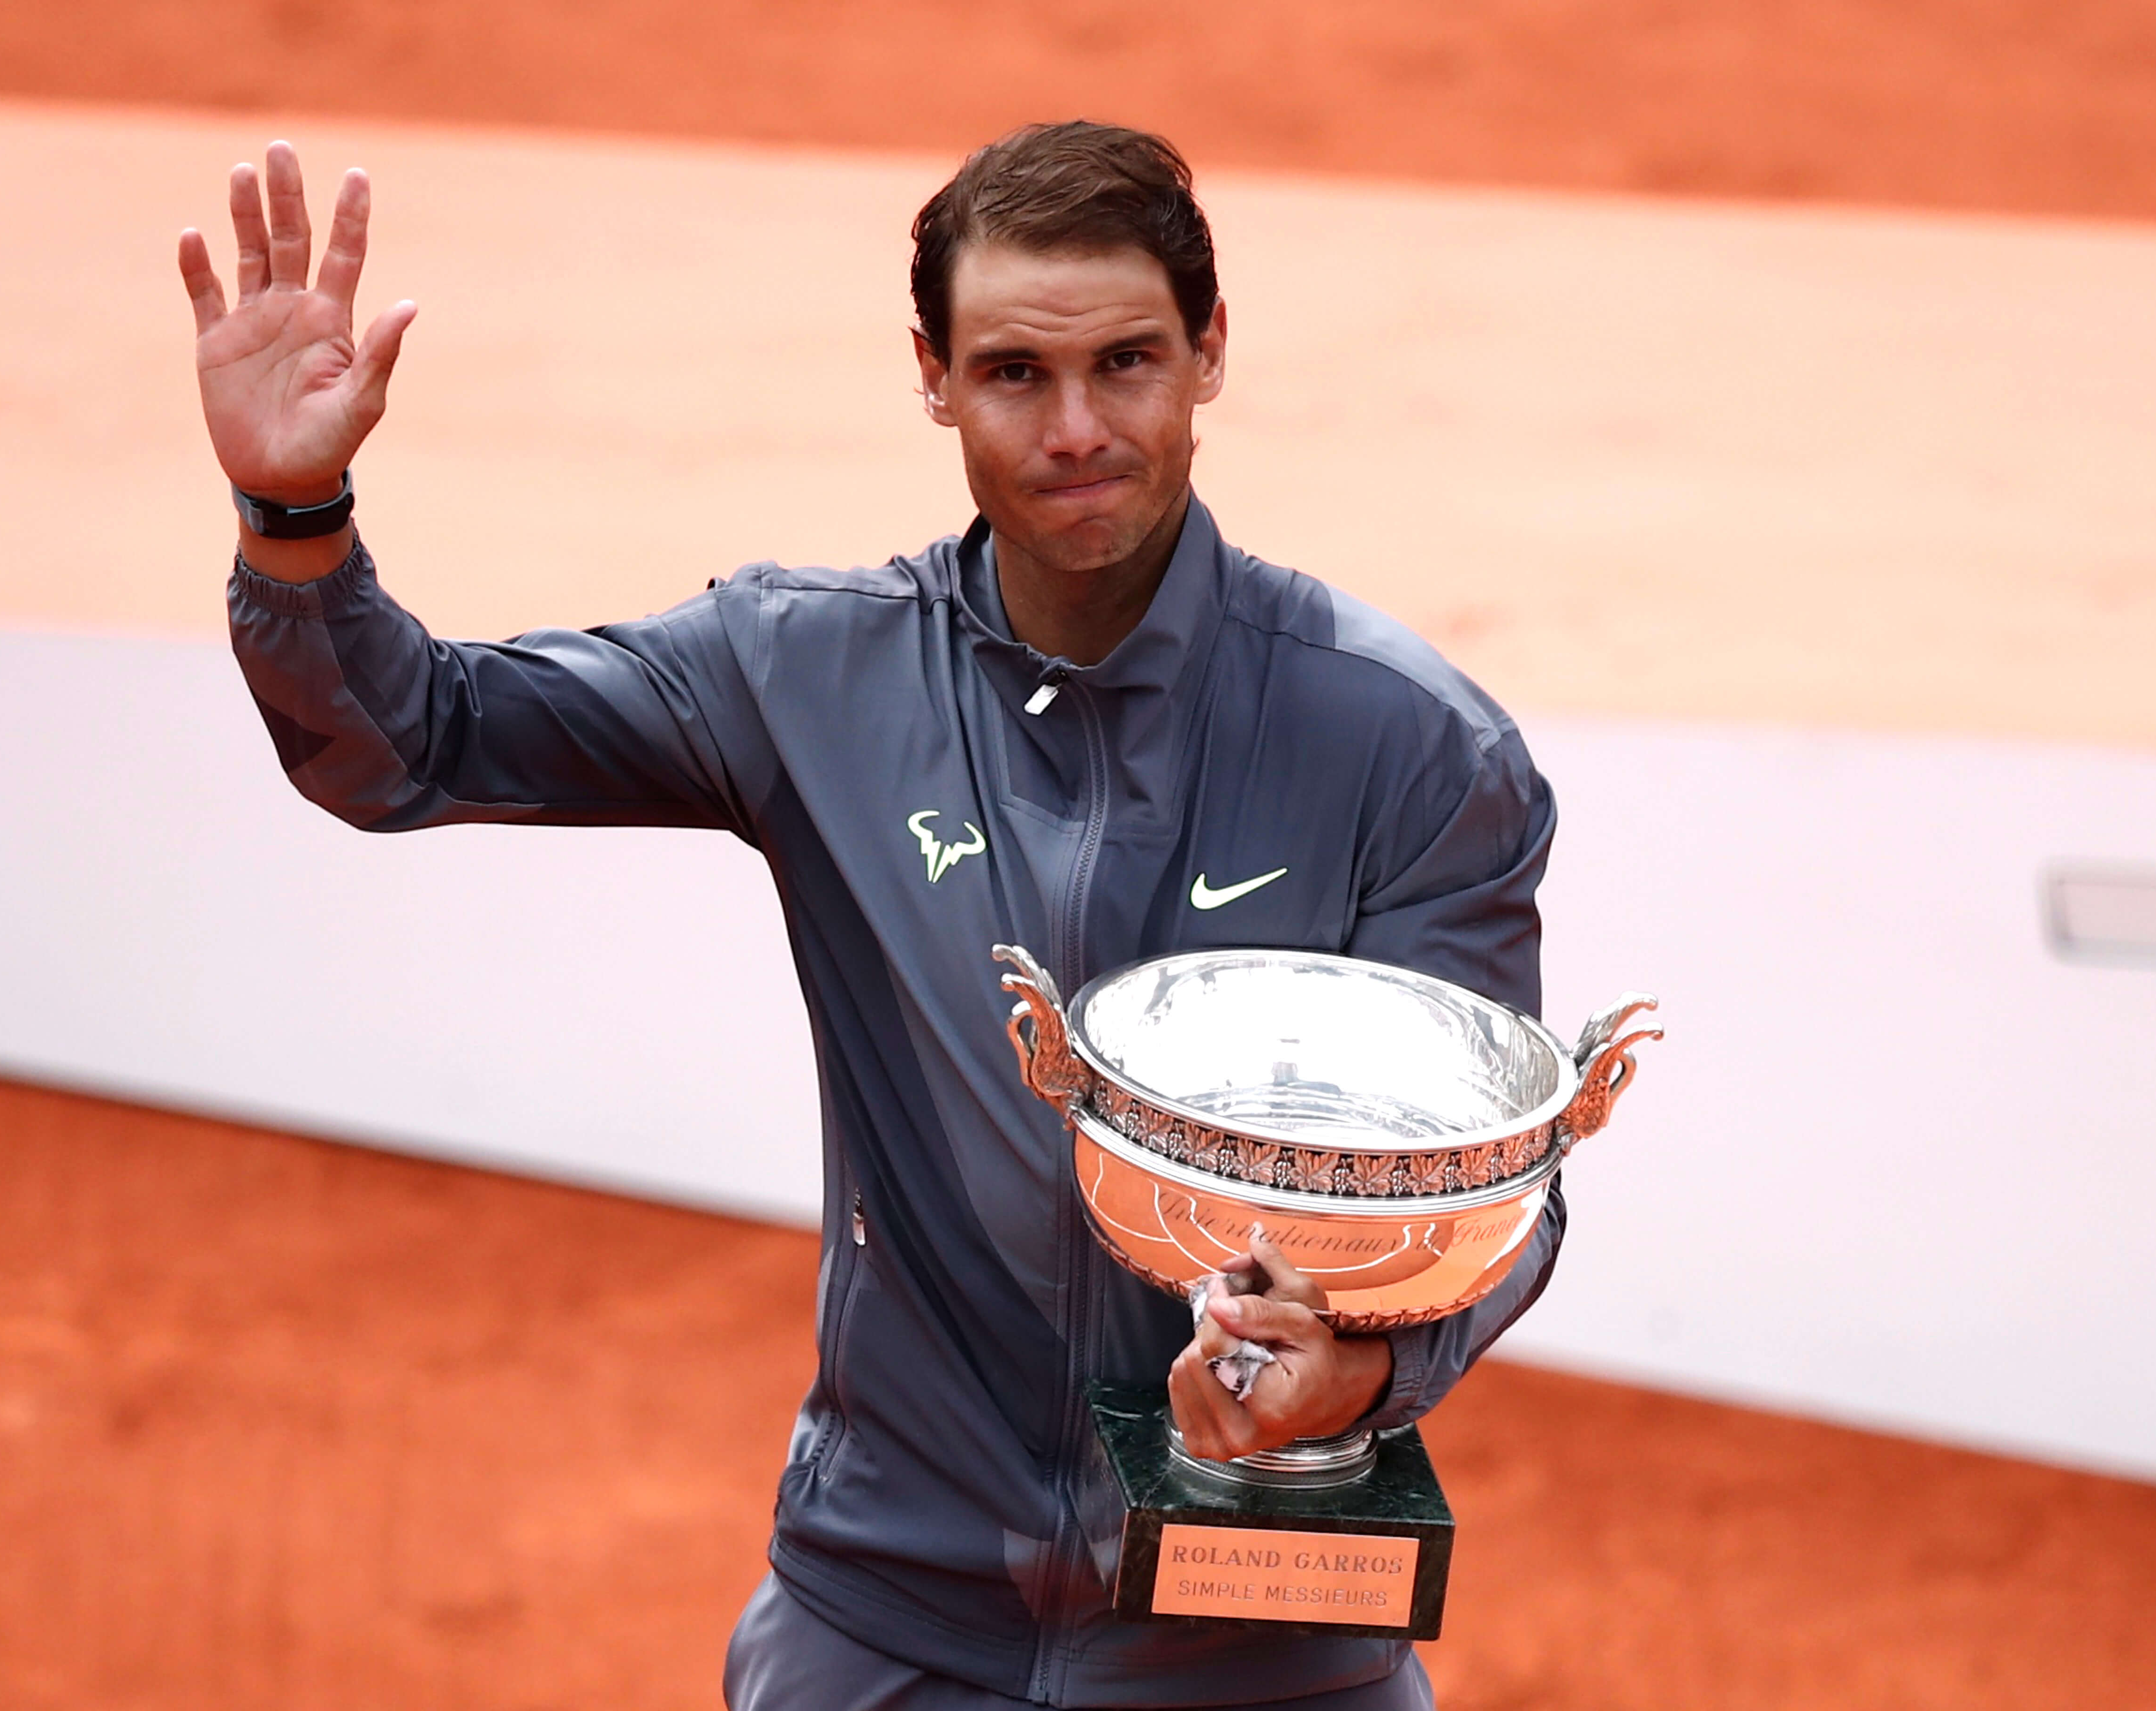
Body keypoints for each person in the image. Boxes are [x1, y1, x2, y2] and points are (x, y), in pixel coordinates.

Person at [181, 121, 1562, 1710]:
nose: (1077, 430)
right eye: (1013, 375)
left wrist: (1367, 1368)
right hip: (890, 1622)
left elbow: (1494, 1197)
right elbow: (408, 741)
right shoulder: (801, 669)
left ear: (1211, 353)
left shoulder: (1406, 745)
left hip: (1266, 1646)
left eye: (1127, 361)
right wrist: (296, 519)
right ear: (932, 375)